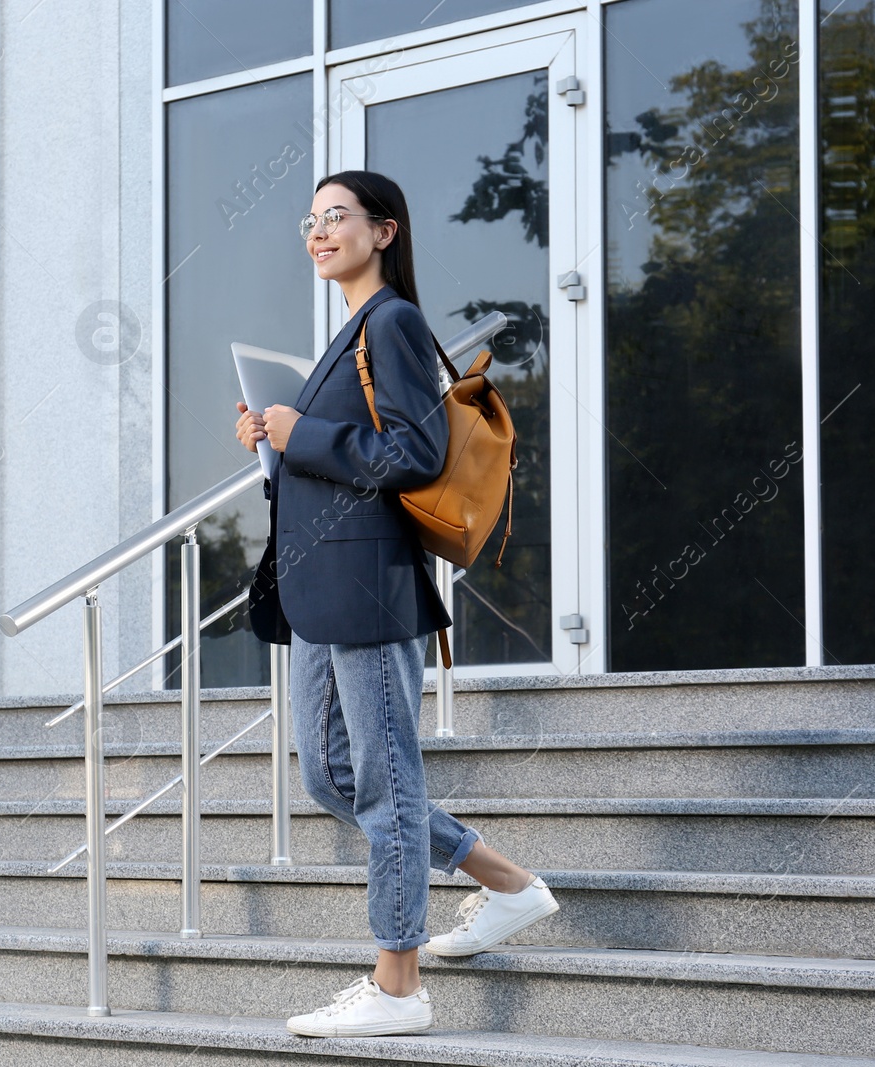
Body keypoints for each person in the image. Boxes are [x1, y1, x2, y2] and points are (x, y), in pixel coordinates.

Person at [234, 170, 558, 1039]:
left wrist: (307, 433)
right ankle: (510, 883)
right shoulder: (348, 334)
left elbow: (413, 452)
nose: (318, 230)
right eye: (310, 219)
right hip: (318, 588)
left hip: (369, 586)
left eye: (336, 216)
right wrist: (276, 441)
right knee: (331, 777)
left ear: (384, 231)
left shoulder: (396, 322)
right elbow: (349, 458)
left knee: (386, 778)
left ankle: (399, 986)